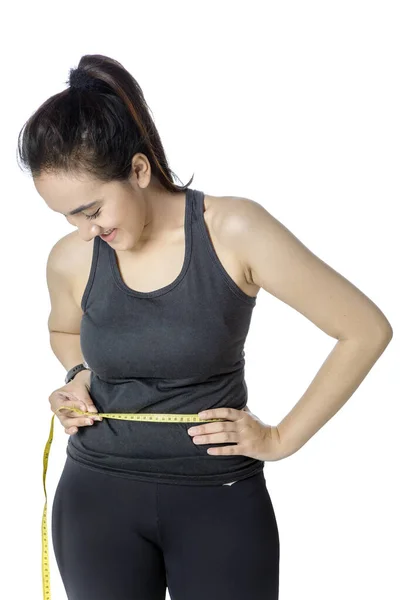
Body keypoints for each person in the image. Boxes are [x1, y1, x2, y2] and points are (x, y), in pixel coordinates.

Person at [17, 54, 392, 600]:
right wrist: (76, 374)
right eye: (67, 216)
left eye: (92, 209)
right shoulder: (72, 257)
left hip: (218, 498)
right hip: (95, 502)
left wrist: (280, 438)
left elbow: (365, 329)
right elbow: (64, 332)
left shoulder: (233, 230)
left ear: (139, 171)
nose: (83, 230)